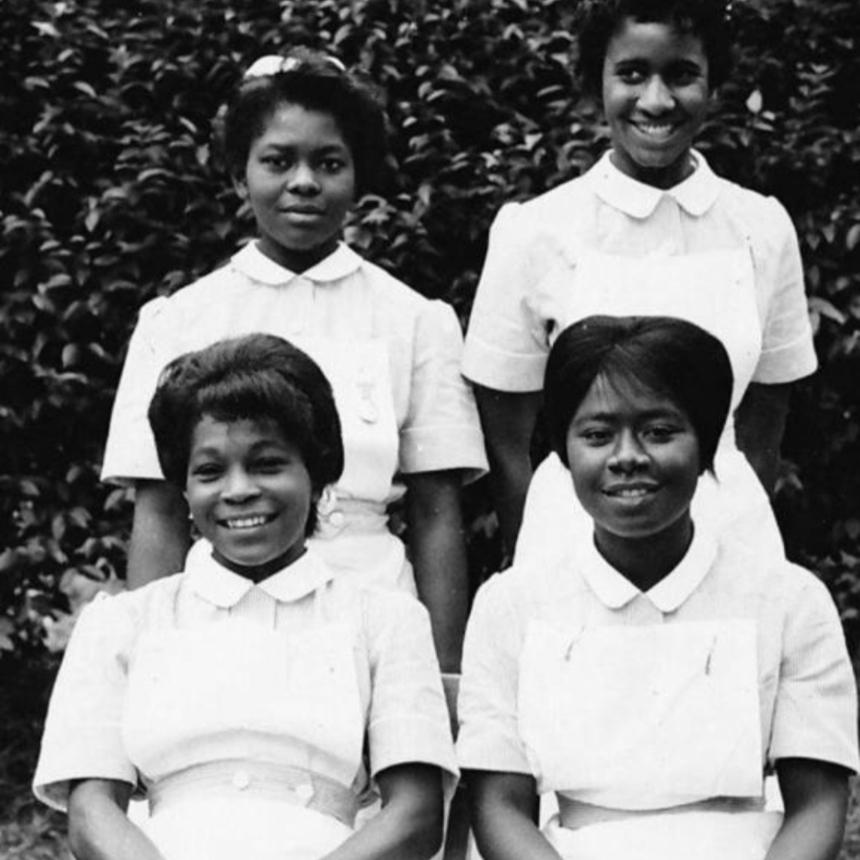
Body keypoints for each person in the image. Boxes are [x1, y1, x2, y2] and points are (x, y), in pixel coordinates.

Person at [101, 49, 486, 673]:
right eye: (278, 161)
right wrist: (150, 662)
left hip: (372, 615)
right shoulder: (180, 320)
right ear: (238, 176)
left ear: (356, 175)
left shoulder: (414, 319)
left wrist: (442, 674)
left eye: (328, 163)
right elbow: (160, 510)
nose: (303, 182)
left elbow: (437, 512)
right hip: (219, 612)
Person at [35, 334, 457, 860]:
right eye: (210, 471)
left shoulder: (385, 620)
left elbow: (415, 816)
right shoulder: (124, 624)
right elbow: (92, 812)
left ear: (318, 472)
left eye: (266, 464)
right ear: (184, 489)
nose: (238, 490)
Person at [457, 316, 858, 860]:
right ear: (564, 451)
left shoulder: (789, 601)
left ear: (707, 443)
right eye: (597, 435)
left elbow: (817, 807)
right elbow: (499, 807)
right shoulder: (511, 606)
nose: (627, 457)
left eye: (659, 432)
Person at [461, 0, 816, 563]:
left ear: (713, 84)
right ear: (596, 82)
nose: (656, 100)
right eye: (631, 74)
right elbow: (508, 443)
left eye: (680, 75)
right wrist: (536, 566)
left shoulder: (762, 227)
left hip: (731, 541)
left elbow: (764, 427)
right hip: (574, 543)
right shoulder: (534, 231)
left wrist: (748, 558)